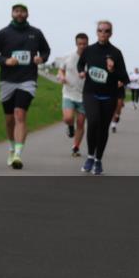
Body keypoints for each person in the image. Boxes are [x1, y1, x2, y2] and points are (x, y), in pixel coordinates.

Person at [0, 4, 51, 169]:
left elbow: (46, 50)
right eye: (16, 11)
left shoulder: (36, 33)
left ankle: (17, 154)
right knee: (9, 120)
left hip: (28, 79)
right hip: (7, 80)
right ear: (11, 13)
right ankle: (11, 146)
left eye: (22, 11)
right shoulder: (4, 33)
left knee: (20, 114)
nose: (20, 14)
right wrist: (5, 61)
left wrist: (41, 59)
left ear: (27, 14)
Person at [77, 20, 129, 175]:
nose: (103, 33)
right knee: (93, 122)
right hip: (90, 93)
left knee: (103, 128)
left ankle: (98, 160)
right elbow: (81, 64)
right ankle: (90, 157)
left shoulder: (116, 53)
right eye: (100, 30)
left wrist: (113, 70)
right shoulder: (89, 50)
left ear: (111, 33)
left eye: (106, 31)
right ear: (96, 32)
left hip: (109, 95)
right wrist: (81, 71)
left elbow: (125, 78)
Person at [57, 33, 88, 157]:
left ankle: (76, 147)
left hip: (84, 96)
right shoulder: (68, 56)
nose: (82, 46)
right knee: (68, 118)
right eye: (80, 44)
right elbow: (61, 70)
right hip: (69, 93)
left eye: (84, 44)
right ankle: (70, 126)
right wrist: (62, 76)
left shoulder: (91, 59)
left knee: (81, 122)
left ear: (88, 44)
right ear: (76, 44)